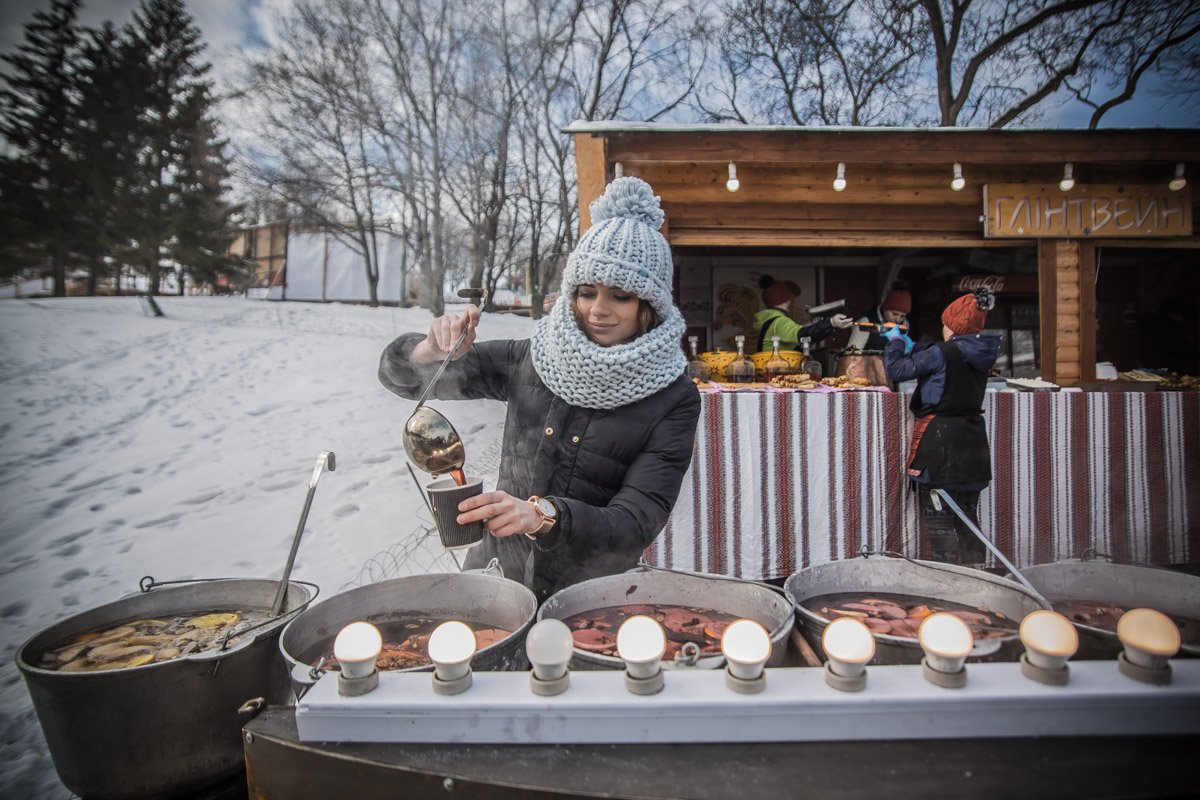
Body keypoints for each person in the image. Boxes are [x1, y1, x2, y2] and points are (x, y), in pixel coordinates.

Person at [378, 177, 701, 601]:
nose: (597, 310)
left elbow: (636, 522)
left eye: (620, 296)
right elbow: (402, 379)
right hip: (497, 573)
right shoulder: (533, 356)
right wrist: (428, 350)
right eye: (586, 292)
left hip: (589, 595)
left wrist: (543, 516)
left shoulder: (673, 397)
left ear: (648, 305)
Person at [882, 287, 1001, 568]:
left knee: (940, 521)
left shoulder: (942, 353)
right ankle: (977, 578)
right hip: (972, 443)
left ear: (952, 325)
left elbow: (898, 371)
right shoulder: (982, 352)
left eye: (945, 323)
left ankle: (945, 580)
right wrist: (918, 348)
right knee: (968, 518)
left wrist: (896, 342)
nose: (943, 327)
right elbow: (950, 359)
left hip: (941, 443)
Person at [752, 274, 852, 352]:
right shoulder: (779, 322)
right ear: (788, 299)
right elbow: (803, 336)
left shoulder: (771, 321)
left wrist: (819, 325)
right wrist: (831, 322)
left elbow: (803, 342)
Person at [848, 281, 912, 352]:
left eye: (902, 316)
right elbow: (852, 355)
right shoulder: (865, 323)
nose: (898, 319)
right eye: (894, 314)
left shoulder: (905, 327)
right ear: (885, 308)